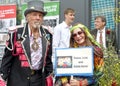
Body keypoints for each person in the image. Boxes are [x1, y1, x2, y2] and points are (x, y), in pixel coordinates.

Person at [0, 1, 53, 86]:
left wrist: (49, 75)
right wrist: (2, 78)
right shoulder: (15, 33)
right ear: (27, 17)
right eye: (34, 15)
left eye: (40, 15)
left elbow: (48, 59)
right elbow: (7, 59)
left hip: (39, 80)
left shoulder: (47, 34)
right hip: (18, 80)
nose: (38, 18)